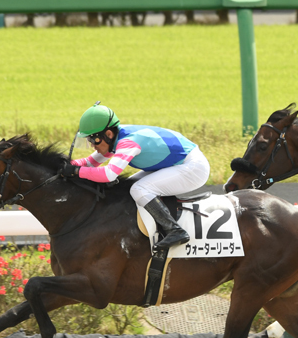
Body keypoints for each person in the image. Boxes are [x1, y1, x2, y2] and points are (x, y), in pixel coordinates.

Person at [60, 102, 210, 250]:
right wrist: (65, 165)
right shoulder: (114, 138)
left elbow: (109, 174)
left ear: (108, 134)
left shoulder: (128, 142)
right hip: (176, 163)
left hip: (193, 167)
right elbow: (90, 162)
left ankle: (175, 230)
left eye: (94, 140)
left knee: (139, 189)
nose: (93, 145)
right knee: (127, 187)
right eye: (89, 141)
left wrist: (76, 171)